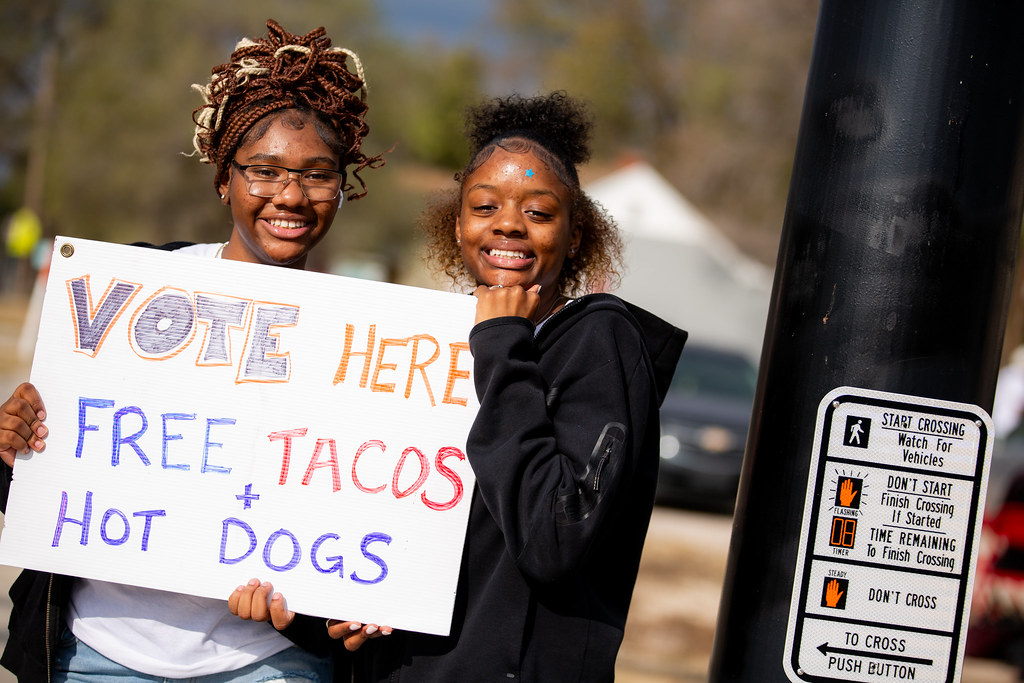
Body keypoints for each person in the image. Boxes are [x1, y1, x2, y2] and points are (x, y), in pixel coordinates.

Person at [231, 91, 687, 681]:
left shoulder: (599, 341)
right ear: (458, 224)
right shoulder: (428, 352)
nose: (508, 224)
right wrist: (323, 614)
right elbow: (379, 517)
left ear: (576, 235)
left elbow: (554, 539)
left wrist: (503, 344)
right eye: (485, 206)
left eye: (540, 212)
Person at [0, 19, 384, 681]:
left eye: (318, 175)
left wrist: (326, 607)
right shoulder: (126, 294)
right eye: (264, 171)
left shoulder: (368, 344)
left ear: (343, 187)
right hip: (97, 653)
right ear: (222, 179)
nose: (290, 196)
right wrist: (15, 440)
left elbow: (367, 509)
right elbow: (47, 478)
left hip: (270, 662)